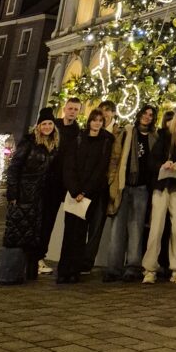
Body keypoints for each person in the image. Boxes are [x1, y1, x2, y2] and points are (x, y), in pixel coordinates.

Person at [0, 109, 59, 283]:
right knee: (17, 233)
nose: (47, 127)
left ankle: (23, 273)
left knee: (29, 234)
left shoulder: (53, 145)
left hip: (39, 197)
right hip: (24, 194)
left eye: (50, 124)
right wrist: (13, 193)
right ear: (38, 126)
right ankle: (8, 275)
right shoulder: (29, 142)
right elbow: (14, 168)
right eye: (44, 124)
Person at [102, 104, 157, 282]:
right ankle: (114, 268)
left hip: (142, 188)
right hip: (124, 185)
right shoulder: (127, 132)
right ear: (139, 114)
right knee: (117, 228)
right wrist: (112, 180)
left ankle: (133, 266)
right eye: (145, 113)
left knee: (136, 228)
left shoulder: (154, 138)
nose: (147, 117)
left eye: (151, 115)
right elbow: (116, 156)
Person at [57, 108, 111, 283]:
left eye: (100, 121)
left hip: (89, 194)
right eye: (94, 120)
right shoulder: (78, 138)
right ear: (89, 121)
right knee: (69, 232)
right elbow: (69, 165)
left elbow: (100, 169)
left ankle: (75, 270)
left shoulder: (105, 142)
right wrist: (74, 190)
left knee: (81, 233)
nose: (97, 123)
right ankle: (64, 270)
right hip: (74, 193)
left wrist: (85, 191)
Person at [142, 110, 176, 285]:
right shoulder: (163, 138)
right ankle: (150, 268)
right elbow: (152, 161)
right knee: (155, 228)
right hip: (161, 187)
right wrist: (162, 165)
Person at [38, 97, 80, 272]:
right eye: (70, 108)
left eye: (76, 109)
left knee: (54, 221)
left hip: (64, 182)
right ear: (65, 109)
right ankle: (37, 257)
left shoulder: (78, 131)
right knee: (44, 220)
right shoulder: (53, 126)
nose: (72, 112)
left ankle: (43, 256)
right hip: (49, 179)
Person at [81, 99, 117, 272]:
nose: (105, 114)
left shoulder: (116, 134)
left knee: (96, 226)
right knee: (81, 223)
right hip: (85, 186)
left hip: (103, 186)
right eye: (103, 111)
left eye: (108, 111)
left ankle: (87, 261)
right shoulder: (85, 135)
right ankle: (77, 258)